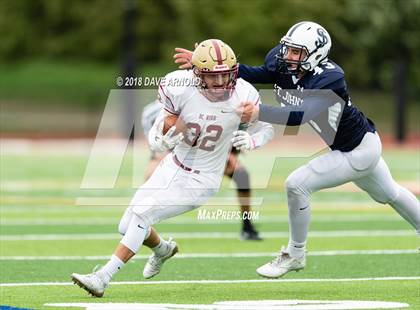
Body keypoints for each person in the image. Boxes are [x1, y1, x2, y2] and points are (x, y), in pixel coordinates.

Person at [174, 21, 420, 278]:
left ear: (316, 54)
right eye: (288, 49)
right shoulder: (281, 63)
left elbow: (300, 116)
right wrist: (209, 66)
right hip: (358, 145)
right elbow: (255, 74)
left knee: (297, 184)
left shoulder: (330, 78)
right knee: (389, 193)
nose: (288, 56)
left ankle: (295, 254)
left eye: (296, 52)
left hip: (358, 150)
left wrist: (260, 112)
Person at [71, 39, 274, 297]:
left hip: (202, 180)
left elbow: (266, 127)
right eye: (214, 76)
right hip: (172, 165)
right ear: (198, 74)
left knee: (142, 215)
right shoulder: (179, 86)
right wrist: (161, 137)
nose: (221, 82)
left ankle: (103, 277)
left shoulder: (244, 94)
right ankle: (163, 249)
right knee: (126, 225)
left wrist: (253, 139)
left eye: (226, 75)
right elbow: (162, 123)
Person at [141, 100, 262, 240]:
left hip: (207, 150)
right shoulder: (152, 112)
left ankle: (247, 226)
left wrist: (231, 152)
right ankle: (142, 224)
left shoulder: (210, 99)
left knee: (241, 175)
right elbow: (156, 145)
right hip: (174, 151)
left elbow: (232, 127)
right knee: (151, 177)